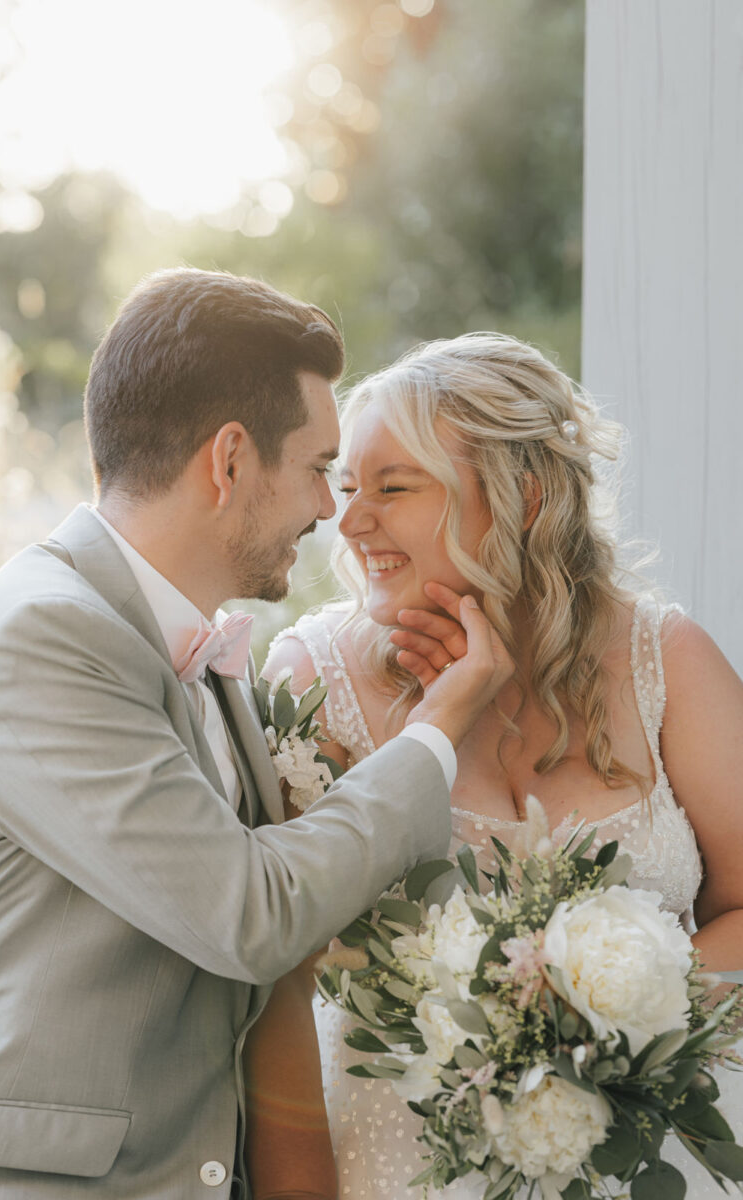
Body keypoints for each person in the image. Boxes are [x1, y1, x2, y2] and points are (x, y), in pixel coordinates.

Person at [0, 273, 515, 1200]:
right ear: (230, 461)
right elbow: (250, 913)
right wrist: (438, 729)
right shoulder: (42, 637)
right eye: (318, 469)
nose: (329, 510)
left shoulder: (183, 636)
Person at [262, 331, 743, 1199]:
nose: (350, 519)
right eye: (345, 488)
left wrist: (603, 1024)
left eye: (393, 488)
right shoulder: (309, 680)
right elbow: (271, 984)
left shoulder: (668, 662)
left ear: (523, 496)